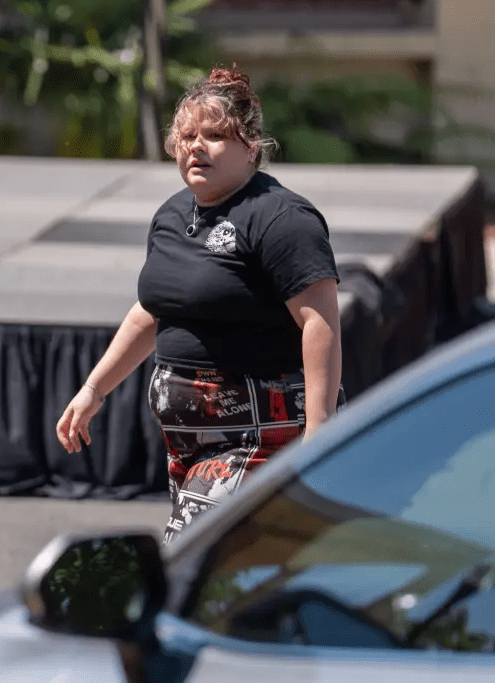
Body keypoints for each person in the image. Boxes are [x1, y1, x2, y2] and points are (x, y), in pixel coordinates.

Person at [55, 66, 343, 544]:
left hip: (261, 430)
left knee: (191, 551)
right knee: (240, 561)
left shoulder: (282, 218)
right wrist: (93, 389)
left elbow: (320, 324)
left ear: (251, 146)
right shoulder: (171, 215)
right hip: (189, 441)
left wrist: (320, 433)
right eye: (187, 136)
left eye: (214, 136)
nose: (196, 146)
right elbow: (152, 310)